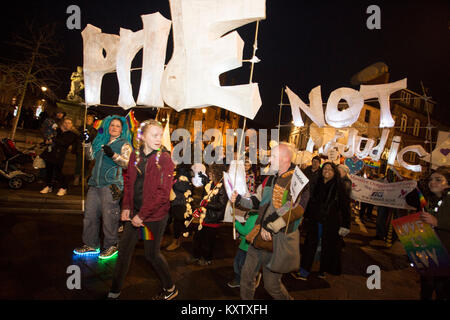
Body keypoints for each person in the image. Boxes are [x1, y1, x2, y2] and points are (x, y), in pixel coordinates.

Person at [107, 119, 177, 300]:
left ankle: (170, 287)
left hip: (152, 218)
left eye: (160, 135)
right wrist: (127, 207)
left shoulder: (164, 159)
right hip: (134, 214)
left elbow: (162, 194)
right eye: (154, 135)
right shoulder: (135, 155)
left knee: (151, 255)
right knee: (124, 251)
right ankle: (114, 291)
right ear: (143, 136)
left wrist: (142, 215)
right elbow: (129, 183)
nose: (158, 138)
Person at [231, 142, 310, 300]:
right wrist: (239, 200)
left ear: (285, 158)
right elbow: (258, 202)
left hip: (277, 241)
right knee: (246, 277)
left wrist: (272, 227)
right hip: (258, 236)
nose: (269, 159)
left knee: (271, 285)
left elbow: (295, 210)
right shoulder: (270, 178)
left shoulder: (298, 180)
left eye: (273, 156)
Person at [73, 115, 132, 259]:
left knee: (109, 216)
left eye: (118, 126)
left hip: (111, 185)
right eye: (112, 125)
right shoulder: (101, 140)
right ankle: (91, 244)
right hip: (94, 183)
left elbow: (127, 163)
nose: (114, 128)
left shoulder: (124, 144)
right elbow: (90, 157)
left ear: (122, 129)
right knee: (90, 215)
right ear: (107, 127)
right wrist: (87, 143)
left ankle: (112, 245)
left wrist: (113, 155)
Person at [293, 162, 351, 281]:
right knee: (310, 245)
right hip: (315, 221)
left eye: (330, 169)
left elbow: (345, 208)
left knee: (326, 247)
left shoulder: (339, 187)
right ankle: (304, 271)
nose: (327, 171)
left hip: (330, 223)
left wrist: (345, 225)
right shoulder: (317, 184)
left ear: (335, 172)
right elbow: (311, 202)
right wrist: (305, 216)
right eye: (325, 168)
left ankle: (322, 270)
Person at [406, 166, 450, 300]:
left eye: (438, 179)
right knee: (426, 287)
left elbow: (440, 220)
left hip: (446, 254)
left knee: (442, 291)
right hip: (429, 250)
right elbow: (410, 199)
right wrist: (420, 183)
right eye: (431, 179)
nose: (433, 182)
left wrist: (437, 222)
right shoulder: (428, 199)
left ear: (448, 182)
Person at [186, 163, 228, 266]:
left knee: (208, 241)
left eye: (211, 172)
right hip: (203, 217)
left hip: (213, 218)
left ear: (217, 174)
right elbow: (203, 199)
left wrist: (207, 204)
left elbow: (221, 205)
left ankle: (206, 258)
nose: (209, 174)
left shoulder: (222, 188)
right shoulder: (210, 185)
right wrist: (199, 209)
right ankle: (196, 256)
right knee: (198, 238)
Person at [39, 117, 78, 196]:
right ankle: (48, 186)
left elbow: (64, 143)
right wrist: (47, 141)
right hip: (51, 153)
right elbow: (49, 136)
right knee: (48, 171)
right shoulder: (57, 131)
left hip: (61, 156)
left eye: (69, 123)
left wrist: (53, 139)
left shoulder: (72, 134)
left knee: (59, 172)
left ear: (72, 125)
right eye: (65, 122)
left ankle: (63, 187)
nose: (67, 124)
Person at [166, 163, 193, 251]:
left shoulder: (184, 174)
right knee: (176, 221)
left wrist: (173, 181)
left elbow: (183, 187)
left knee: (177, 222)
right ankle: (176, 240)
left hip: (180, 202)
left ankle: (176, 242)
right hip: (176, 201)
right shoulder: (179, 173)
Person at [73, 113, 97, 186]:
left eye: (89, 119)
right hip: (80, 149)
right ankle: (76, 178)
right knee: (78, 164)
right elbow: (77, 138)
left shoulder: (94, 130)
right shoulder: (81, 128)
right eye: (87, 119)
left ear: (92, 121)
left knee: (86, 165)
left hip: (88, 149)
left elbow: (94, 140)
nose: (88, 120)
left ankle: (84, 179)